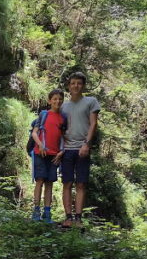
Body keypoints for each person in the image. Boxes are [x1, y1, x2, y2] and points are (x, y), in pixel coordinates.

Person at [59, 72, 101, 229]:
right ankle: (68, 218)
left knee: (81, 184)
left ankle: (78, 218)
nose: (76, 86)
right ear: (69, 86)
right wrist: (61, 147)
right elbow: (59, 128)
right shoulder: (63, 106)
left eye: (79, 83)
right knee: (67, 183)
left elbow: (93, 124)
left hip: (82, 148)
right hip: (67, 150)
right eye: (73, 83)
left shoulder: (91, 102)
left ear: (83, 86)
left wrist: (86, 144)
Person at [29, 89, 66, 223]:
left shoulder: (63, 118)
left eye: (60, 99)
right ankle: (36, 211)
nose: (57, 101)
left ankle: (47, 212)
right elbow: (35, 133)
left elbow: (63, 137)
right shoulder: (44, 115)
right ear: (50, 101)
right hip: (40, 153)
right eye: (55, 99)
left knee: (49, 183)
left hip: (54, 156)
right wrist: (40, 145)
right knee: (39, 181)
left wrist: (61, 152)